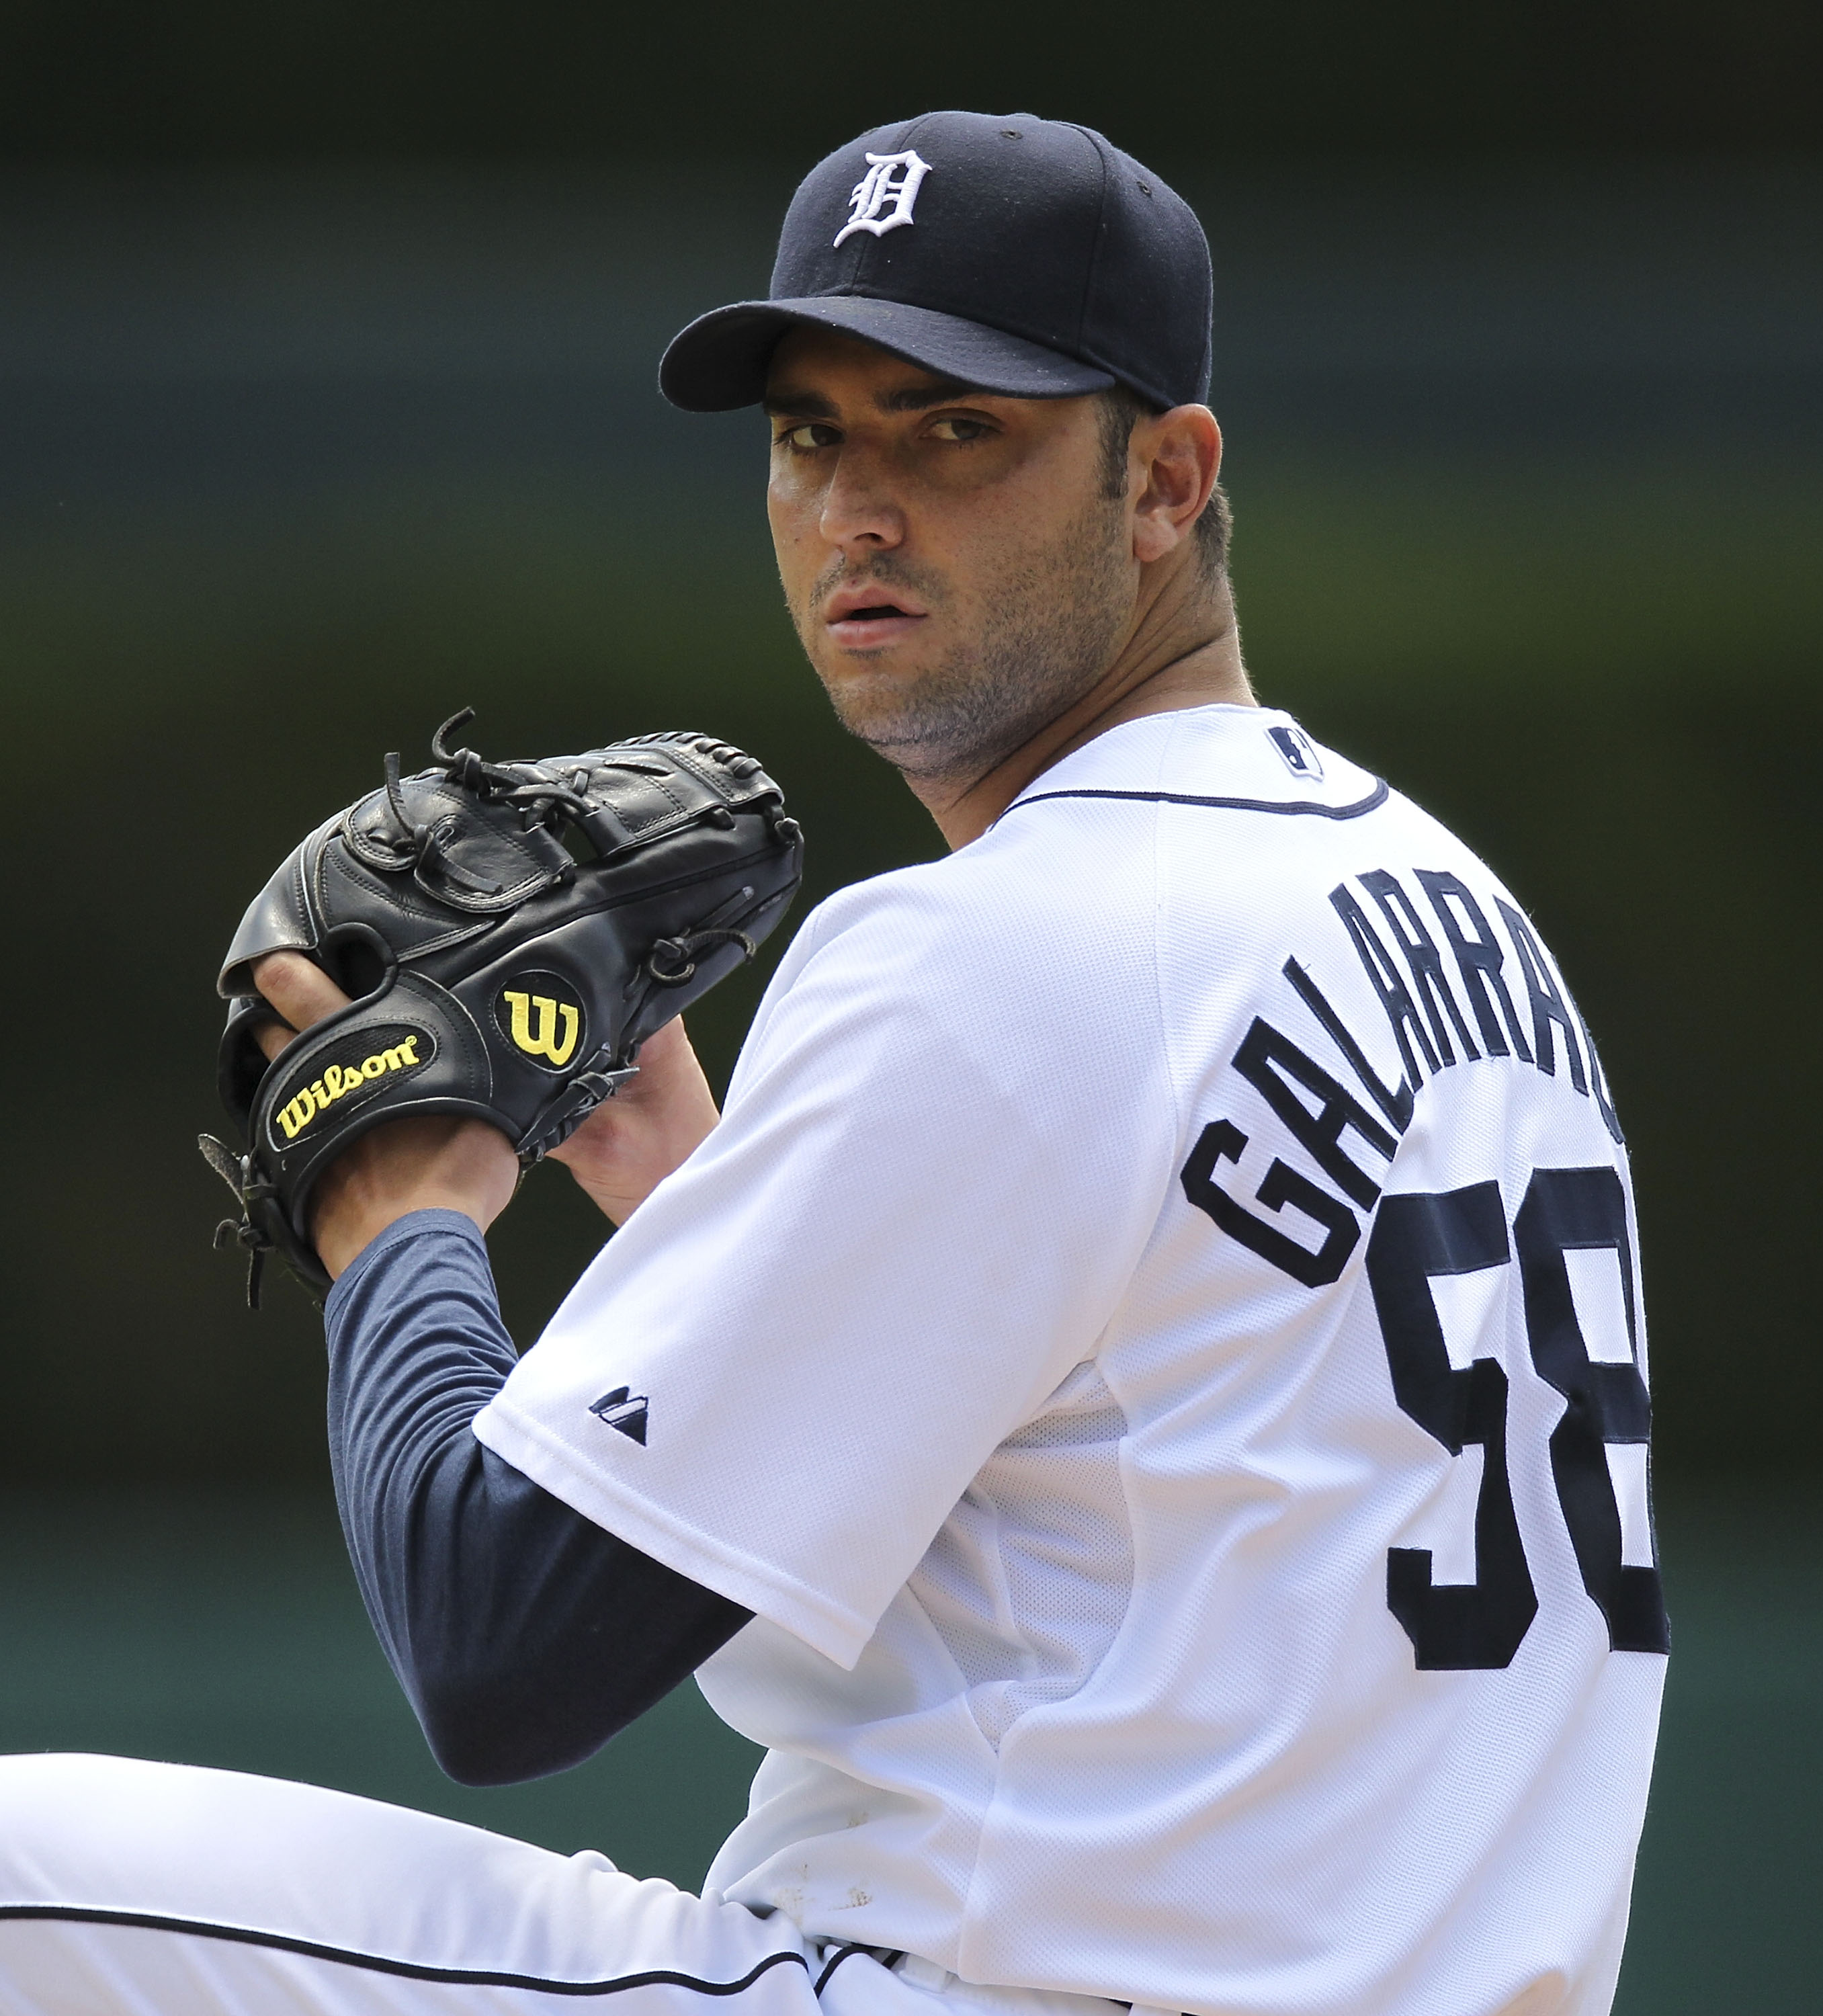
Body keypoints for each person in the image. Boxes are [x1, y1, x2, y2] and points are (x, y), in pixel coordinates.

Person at [0, 111, 1666, 2016]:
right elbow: (1121, 1527)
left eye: (955, 428)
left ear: (1163, 479)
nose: (858, 506)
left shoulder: (1010, 946)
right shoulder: (1442, 906)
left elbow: (499, 1640)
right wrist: (716, 1204)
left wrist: (398, 1204)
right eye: (811, 435)